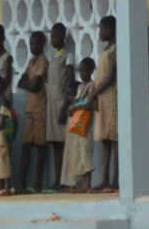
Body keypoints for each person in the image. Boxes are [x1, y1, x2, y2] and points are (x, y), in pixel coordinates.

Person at [17, 31, 51, 193]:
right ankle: (21, 183)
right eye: (31, 44)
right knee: (26, 147)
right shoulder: (31, 62)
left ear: (42, 44)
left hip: (40, 110)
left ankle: (37, 182)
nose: (32, 47)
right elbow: (21, 82)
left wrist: (29, 83)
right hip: (30, 109)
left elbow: (35, 85)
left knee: (40, 147)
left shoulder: (44, 62)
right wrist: (30, 83)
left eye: (35, 44)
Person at [90, 15, 119, 195]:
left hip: (110, 99)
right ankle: (105, 179)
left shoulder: (115, 51)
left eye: (102, 29)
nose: (100, 32)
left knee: (115, 140)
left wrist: (94, 92)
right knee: (105, 142)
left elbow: (109, 78)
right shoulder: (105, 50)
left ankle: (115, 179)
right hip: (101, 100)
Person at [45, 21, 75, 190]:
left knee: (64, 143)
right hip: (51, 103)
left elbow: (70, 81)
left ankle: (66, 179)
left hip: (61, 102)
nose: (53, 39)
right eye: (52, 36)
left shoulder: (67, 56)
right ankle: (57, 178)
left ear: (63, 37)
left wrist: (65, 105)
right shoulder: (54, 57)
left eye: (56, 36)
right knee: (55, 143)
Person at [60, 63, 94, 192]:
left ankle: (88, 184)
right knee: (78, 155)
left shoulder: (91, 85)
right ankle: (80, 184)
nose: (82, 74)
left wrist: (77, 107)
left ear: (91, 71)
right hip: (77, 125)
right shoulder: (80, 86)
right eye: (80, 71)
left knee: (86, 154)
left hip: (85, 126)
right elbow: (76, 102)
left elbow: (89, 104)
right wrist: (71, 109)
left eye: (84, 71)